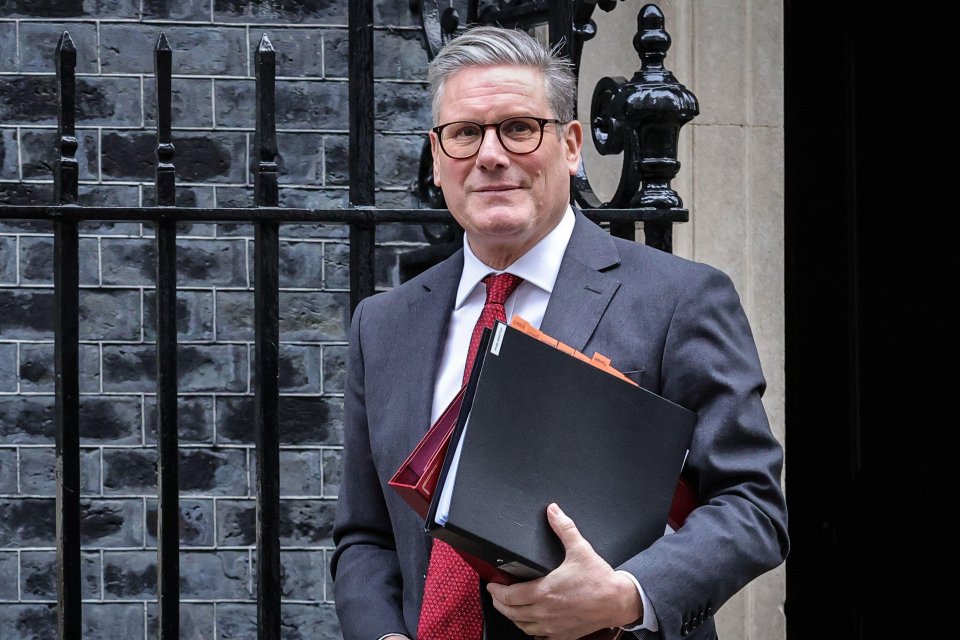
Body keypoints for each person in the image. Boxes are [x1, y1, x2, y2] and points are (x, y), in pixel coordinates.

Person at [331, 25, 788, 640]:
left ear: (572, 146)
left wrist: (629, 595)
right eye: (465, 133)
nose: (490, 155)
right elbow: (365, 535)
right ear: (437, 159)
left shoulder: (678, 299)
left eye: (519, 128)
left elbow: (752, 506)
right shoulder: (383, 324)